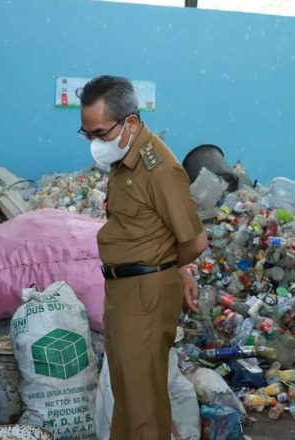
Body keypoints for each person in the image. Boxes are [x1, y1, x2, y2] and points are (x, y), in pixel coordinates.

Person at [78, 75, 208, 440]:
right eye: (87, 135)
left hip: (146, 293)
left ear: (131, 122)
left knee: (143, 406)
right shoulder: (124, 159)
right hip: (123, 290)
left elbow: (195, 242)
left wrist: (166, 265)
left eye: (100, 133)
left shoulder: (160, 169)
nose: (95, 144)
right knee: (127, 397)